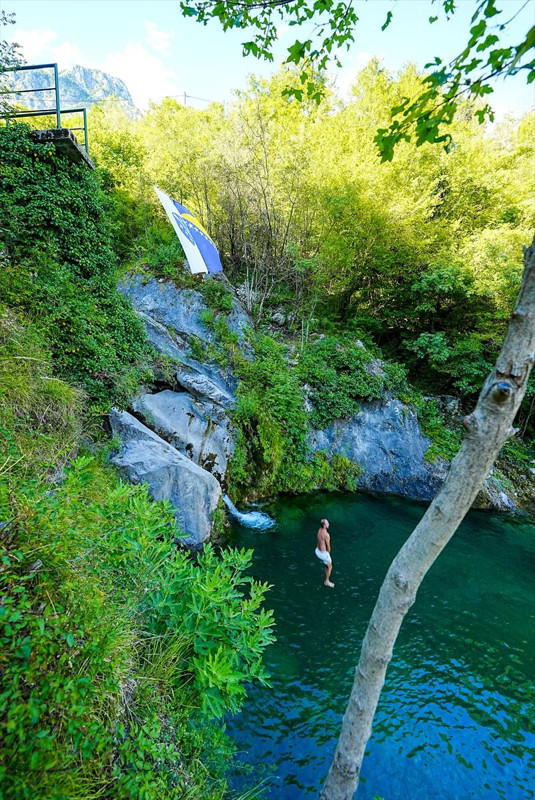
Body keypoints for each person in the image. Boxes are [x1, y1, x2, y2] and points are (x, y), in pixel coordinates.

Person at [315, 518, 334, 587]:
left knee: (327, 565)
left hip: (317, 551)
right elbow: (328, 546)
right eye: (327, 523)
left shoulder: (319, 530)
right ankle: (327, 581)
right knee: (330, 567)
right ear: (324, 526)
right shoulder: (326, 535)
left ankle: (326, 565)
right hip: (323, 554)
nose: (329, 524)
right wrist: (328, 553)